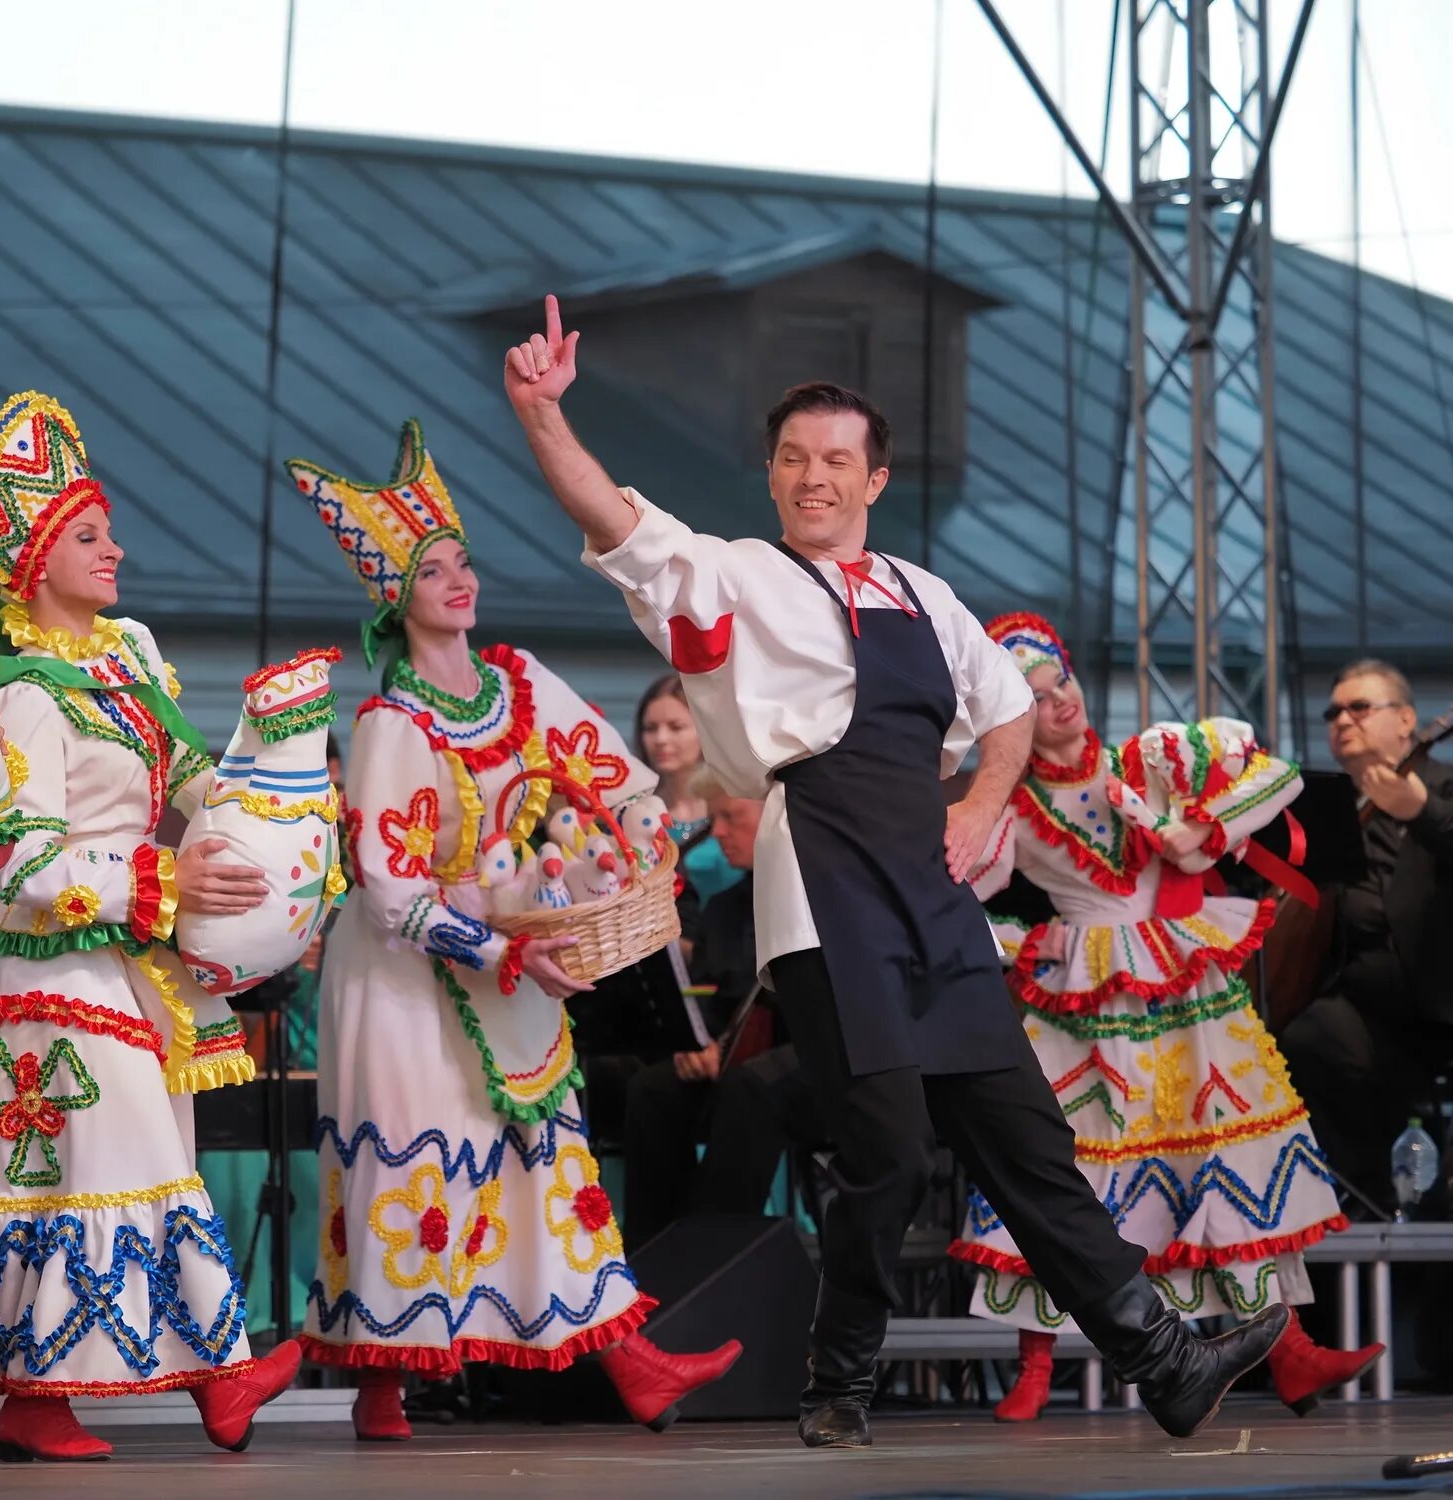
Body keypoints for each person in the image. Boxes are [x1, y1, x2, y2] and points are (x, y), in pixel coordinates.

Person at [503, 294, 1288, 1447]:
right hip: (819, 878)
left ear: (874, 479)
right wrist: (539, 413)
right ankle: (838, 1381)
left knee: (1024, 1135)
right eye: (789, 459)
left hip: (927, 889)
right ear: (769, 475)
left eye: (833, 461)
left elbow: (1007, 708)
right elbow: (612, 517)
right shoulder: (734, 576)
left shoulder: (925, 592)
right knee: (884, 1148)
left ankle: (1160, 1356)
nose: (810, 478)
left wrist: (977, 800)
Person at [0, 391, 302, 1459]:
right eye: (91, 536)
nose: (117, 551)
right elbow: (15, 862)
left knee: (74, 1180)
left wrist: (272, 819)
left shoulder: (129, 667)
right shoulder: (21, 696)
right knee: (95, 1166)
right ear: (34, 564)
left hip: (113, 967)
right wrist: (163, 882)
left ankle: (38, 1397)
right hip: (39, 973)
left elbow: (190, 775)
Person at [286, 419, 741, 1442]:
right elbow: (386, 888)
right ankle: (381, 1388)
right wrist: (499, 950)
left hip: (515, 949)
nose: (458, 581)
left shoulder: (522, 684)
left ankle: (633, 1363)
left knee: (543, 1153)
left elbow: (616, 780)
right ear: (391, 596)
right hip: (411, 973)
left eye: (462, 562)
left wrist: (638, 841)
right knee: (417, 1161)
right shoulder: (388, 726)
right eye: (432, 569)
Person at [954, 612, 1382, 1421]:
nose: (1060, 703)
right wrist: (1001, 943)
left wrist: (1200, 827)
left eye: (1063, 682)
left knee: (1227, 1149)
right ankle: (1035, 1367)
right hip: (1079, 986)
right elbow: (953, 889)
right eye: (1036, 697)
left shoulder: (1145, 761)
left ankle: (1289, 1351)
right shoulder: (1007, 808)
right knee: (1060, 1165)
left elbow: (1276, 776)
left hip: (1180, 982)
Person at [621, 780, 829, 1246]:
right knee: (653, 1089)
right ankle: (652, 1257)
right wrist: (695, 1048)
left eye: (731, 817)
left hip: (822, 1060)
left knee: (752, 1086)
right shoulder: (723, 908)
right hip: (744, 1059)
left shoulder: (822, 894)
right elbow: (715, 1005)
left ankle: (709, 1252)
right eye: (714, 819)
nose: (716, 832)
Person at [1280, 660, 1453, 1207]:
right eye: (1333, 711)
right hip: (1369, 1018)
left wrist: (1424, 813)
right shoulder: (1324, 809)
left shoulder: (1446, 786)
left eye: (1360, 707)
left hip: (1443, 1007)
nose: (1342, 719)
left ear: (1406, 720)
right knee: (1302, 1037)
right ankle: (1365, 1199)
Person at [637, 676, 736, 905]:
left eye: (676, 727)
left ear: (706, 729)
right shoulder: (637, 811)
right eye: (650, 728)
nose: (660, 739)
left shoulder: (733, 804)